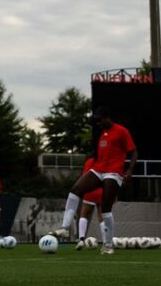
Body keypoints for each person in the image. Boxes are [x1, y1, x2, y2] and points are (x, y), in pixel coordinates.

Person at [51, 107, 135, 255]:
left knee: (106, 209)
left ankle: (108, 245)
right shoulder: (102, 133)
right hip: (99, 169)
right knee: (75, 190)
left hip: (113, 172)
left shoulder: (121, 131)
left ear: (107, 118)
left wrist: (129, 170)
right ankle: (65, 228)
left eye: (99, 120)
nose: (98, 123)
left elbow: (134, 151)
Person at [73, 156, 103, 248]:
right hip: (101, 190)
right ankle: (107, 242)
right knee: (102, 215)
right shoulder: (104, 161)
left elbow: (84, 177)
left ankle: (81, 240)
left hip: (89, 189)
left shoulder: (89, 161)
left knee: (84, 214)